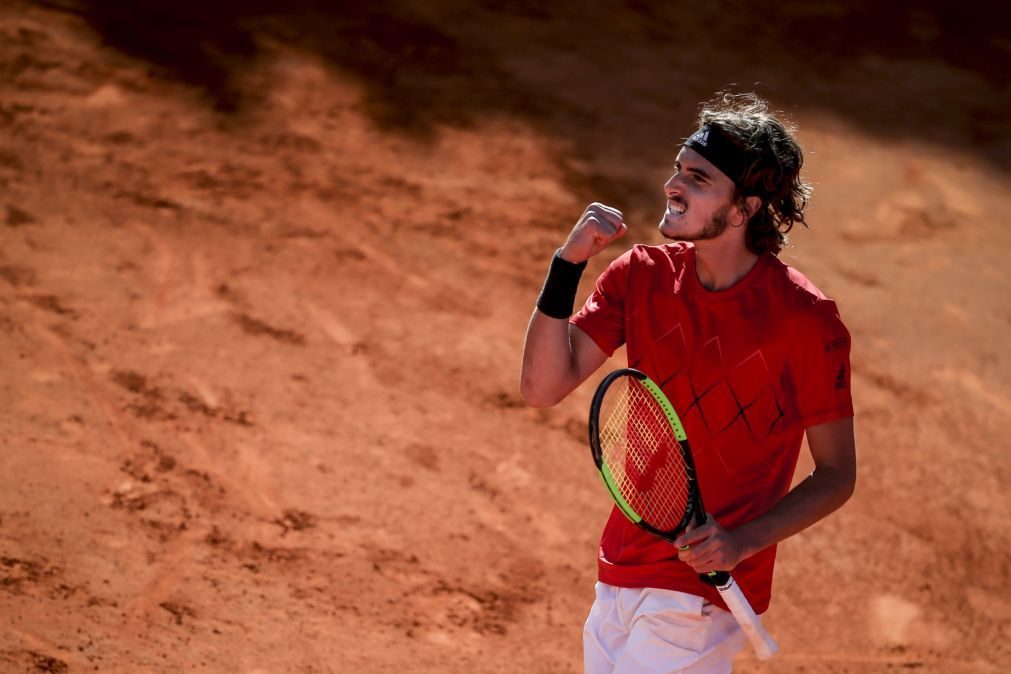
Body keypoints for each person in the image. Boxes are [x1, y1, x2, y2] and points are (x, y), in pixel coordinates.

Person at [520, 92, 856, 674]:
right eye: (678, 170)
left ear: (746, 207)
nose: (673, 184)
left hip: (700, 596)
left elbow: (836, 474)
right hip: (620, 568)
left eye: (698, 178)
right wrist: (566, 265)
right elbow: (542, 387)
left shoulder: (804, 320)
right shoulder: (641, 276)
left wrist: (742, 541)